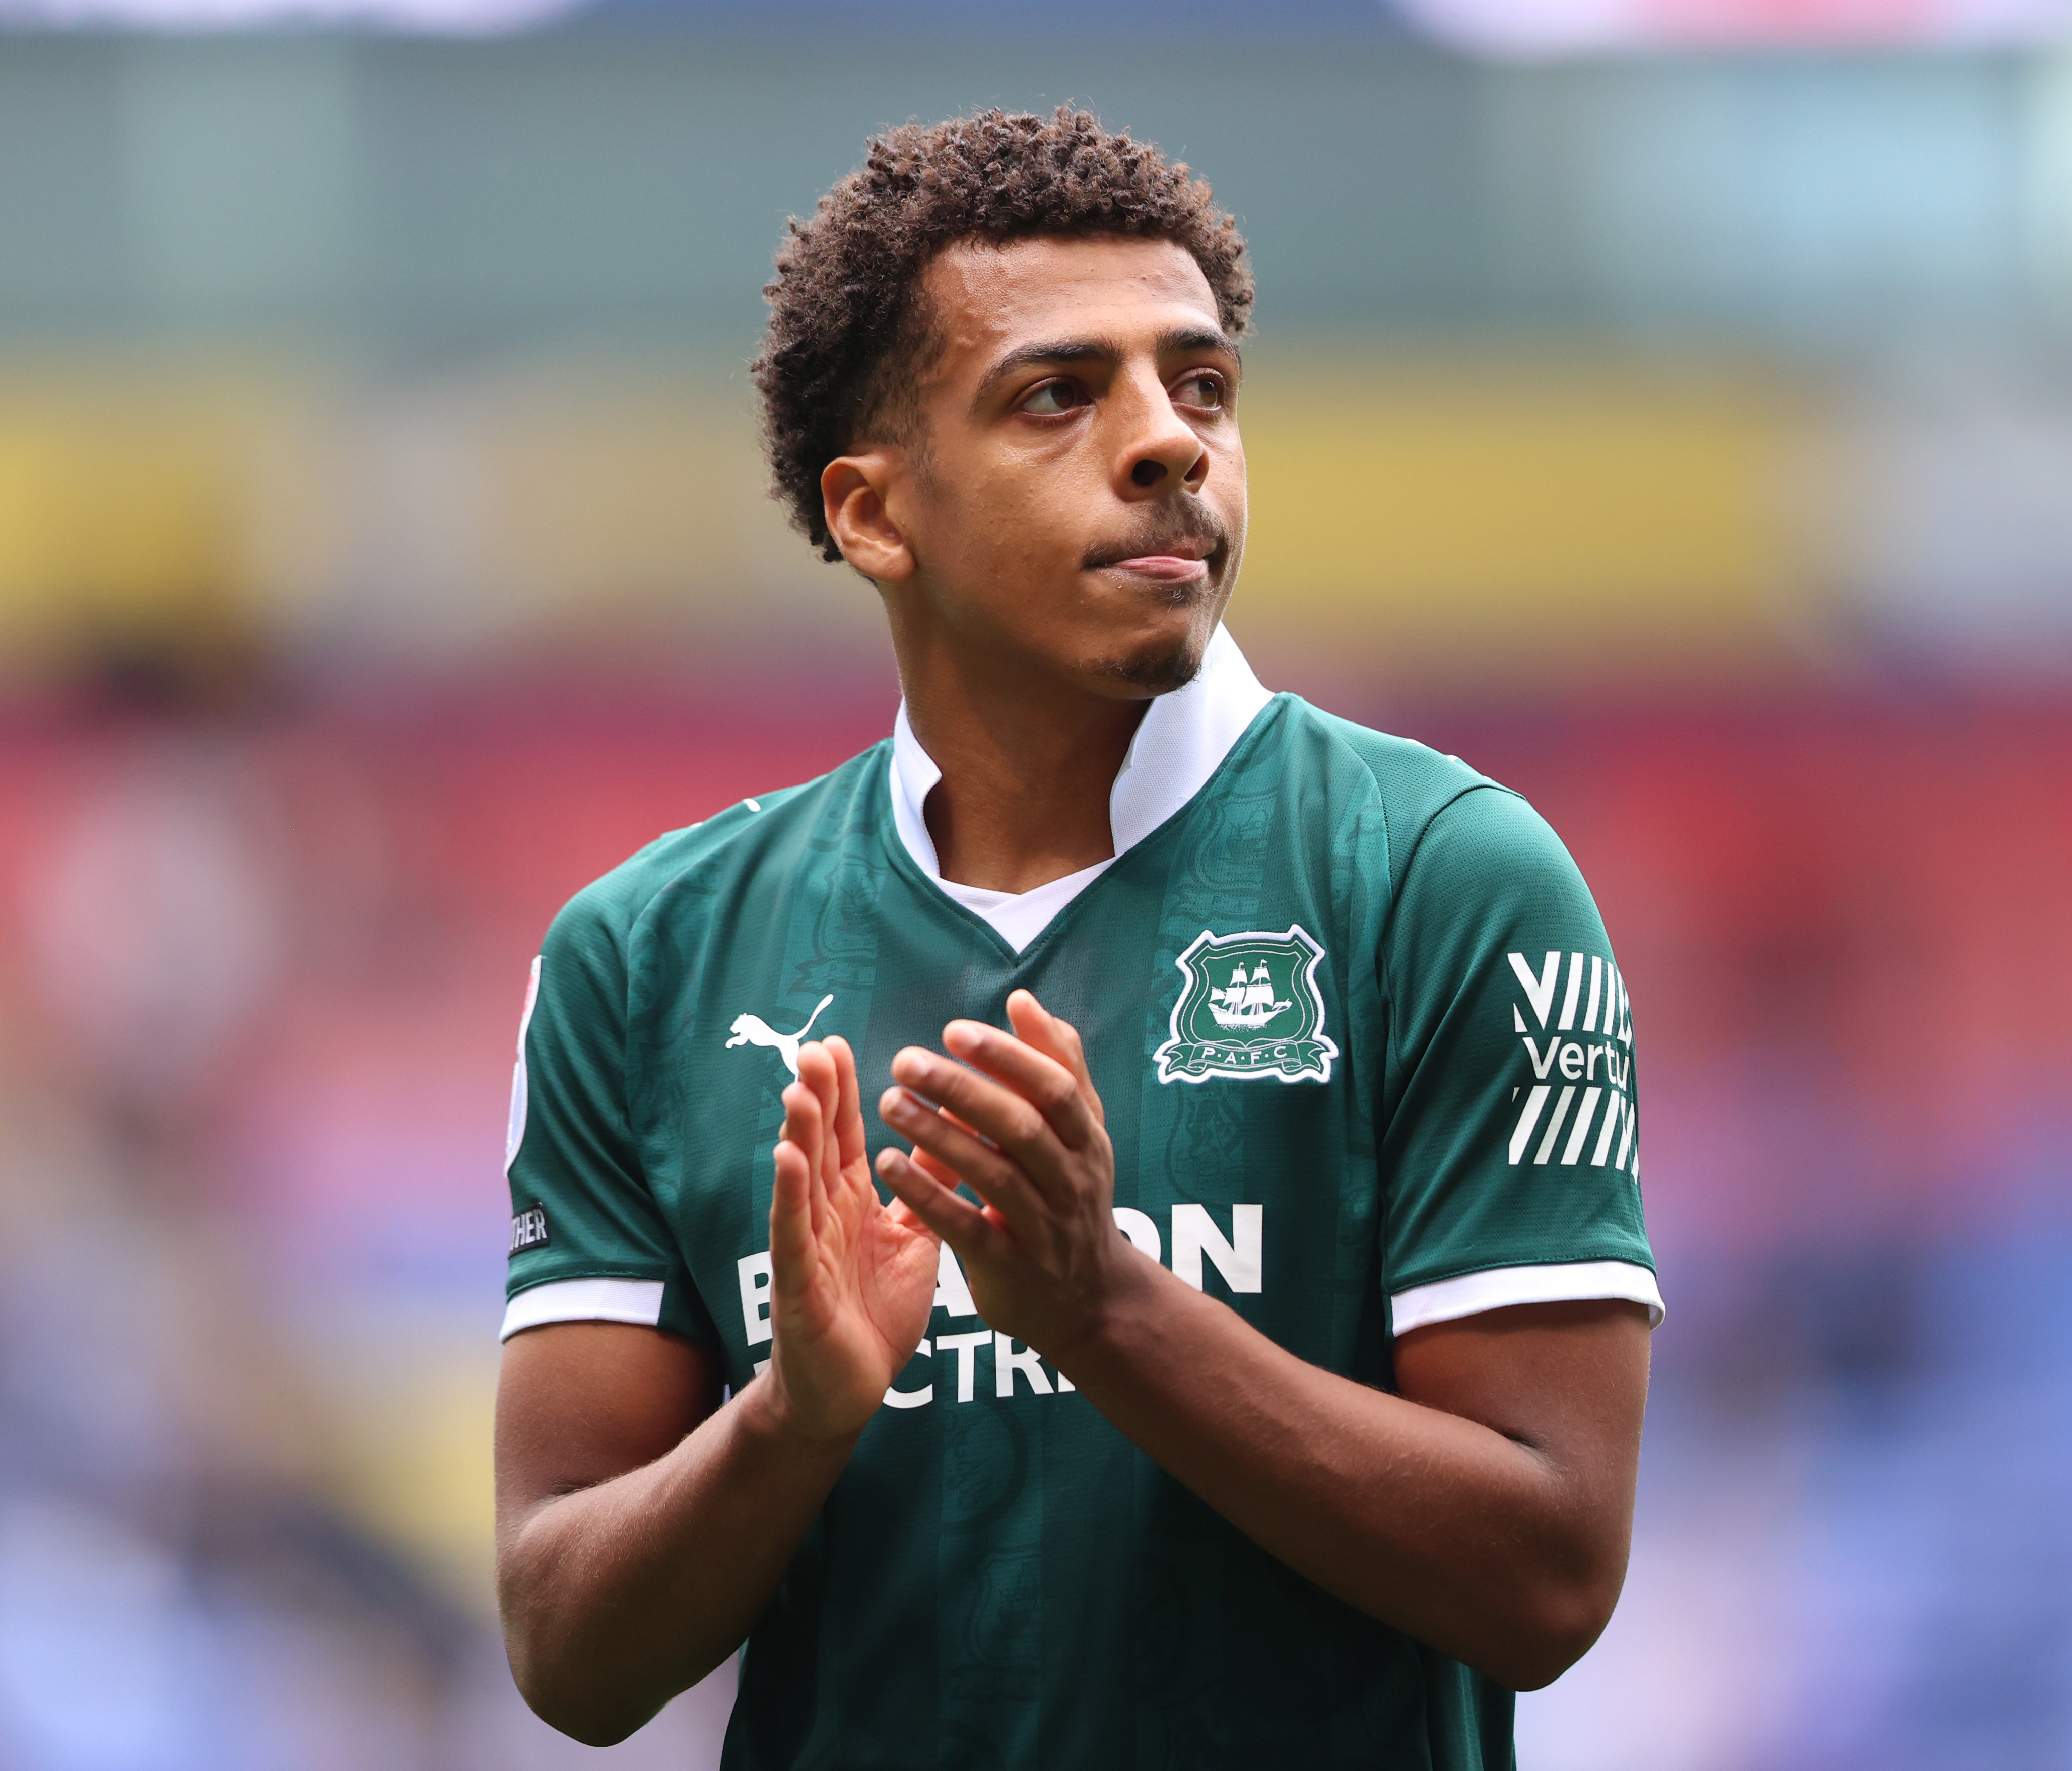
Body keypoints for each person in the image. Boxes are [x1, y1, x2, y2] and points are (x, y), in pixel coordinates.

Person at [492, 106, 1659, 1769]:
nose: (1169, 441)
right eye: (1059, 394)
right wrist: (791, 1422)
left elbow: (1550, 1574)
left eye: (1202, 387)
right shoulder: (646, 956)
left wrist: (1099, 1304)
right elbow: (568, 1653)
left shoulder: (1441, 878)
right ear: (874, 515)